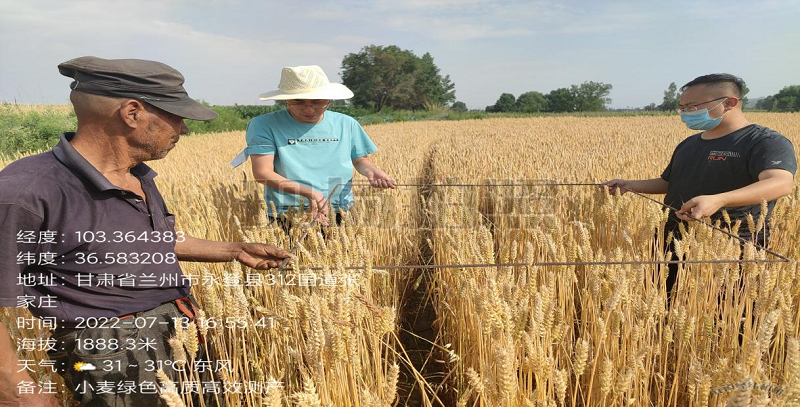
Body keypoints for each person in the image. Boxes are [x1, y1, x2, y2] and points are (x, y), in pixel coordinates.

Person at [0, 56, 290, 406]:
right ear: (132, 113)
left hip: (179, 331)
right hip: (111, 353)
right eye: (176, 117)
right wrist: (17, 391)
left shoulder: (136, 174)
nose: (183, 129)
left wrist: (233, 250)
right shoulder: (25, 192)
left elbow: (146, 240)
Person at [603, 73, 796, 299]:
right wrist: (631, 185)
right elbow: (669, 182)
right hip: (672, 238)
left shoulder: (764, 141)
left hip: (731, 242)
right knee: (668, 301)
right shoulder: (690, 143)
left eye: (692, 106)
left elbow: (780, 182)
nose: (686, 113)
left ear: (729, 103)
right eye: (682, 107)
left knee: (728, 312)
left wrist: (718, 199)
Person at [231, 65, 395, 233]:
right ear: (286, 99)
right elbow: (262, 173)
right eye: (299, 101)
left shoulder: (347, 123)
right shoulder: (263, 125)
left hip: (340, 209)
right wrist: (311, 194)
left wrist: (371, 171)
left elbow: (360, 159)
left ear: (329, 99)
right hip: (288, 213)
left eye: (317, 101)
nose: (309, 109)